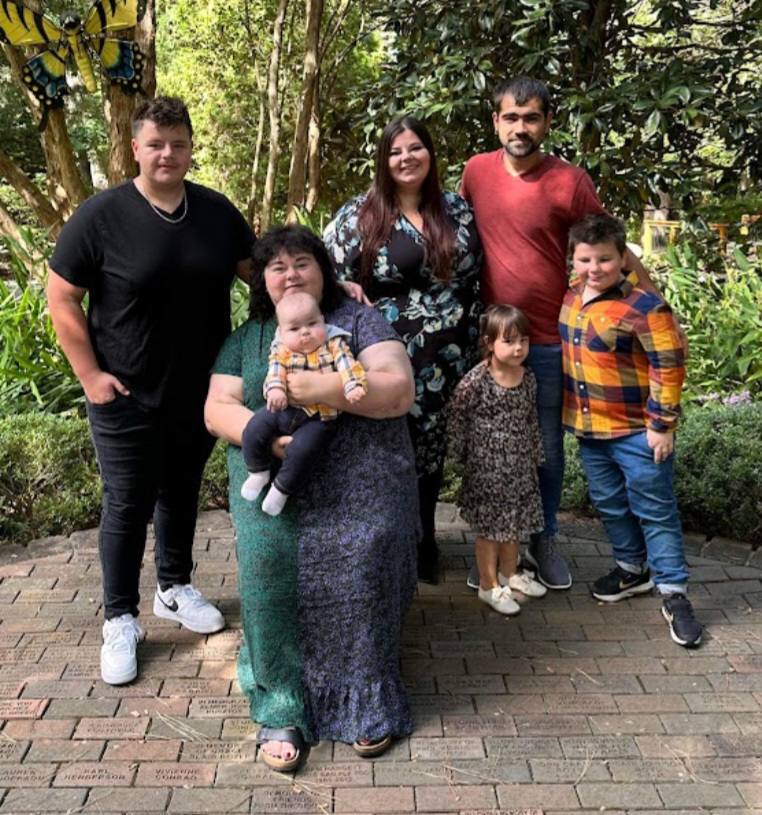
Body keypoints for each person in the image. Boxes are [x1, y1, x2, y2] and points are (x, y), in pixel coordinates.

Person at [46, 97, 254, 685]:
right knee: (127, 503)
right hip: (124, 392)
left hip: (199, 389)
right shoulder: (101, 216)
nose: (168, 154)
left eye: (178, 144)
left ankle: (174, 586)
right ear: (135, 147)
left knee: (181, 490)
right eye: (156, 144)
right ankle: (120, 618)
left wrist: (330, 291)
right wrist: (90, 377)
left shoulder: (216, 212)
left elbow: (265, 274)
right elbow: (62, 297)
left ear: (190, 149)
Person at [204, 225, 418, 772]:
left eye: (302, 262)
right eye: (277, 267)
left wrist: (322, 390)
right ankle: (282, 700)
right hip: (276, 478)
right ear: (261, 280)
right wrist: (267, 440)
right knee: (267, 556)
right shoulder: (248, 338)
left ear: (323, 269)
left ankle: (365, 696)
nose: (291, 274)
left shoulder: (359, 321)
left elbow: (398, 388)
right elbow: (216, 407)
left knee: (363, 546)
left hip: (360, 476)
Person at [461, 77, 657, 591]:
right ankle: (494, 545)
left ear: (547, 122)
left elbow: (609, 246)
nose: (520, 128)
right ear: (496, 122)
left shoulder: (569, 181)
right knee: (491, 449)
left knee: (545, 449)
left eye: (531, 118)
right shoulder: (476, 172)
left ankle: (543, 540)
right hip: (492, 341)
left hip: (549, 339)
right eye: (510, 117)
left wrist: (653, 304)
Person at [324, 116, 482, 583]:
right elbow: (324, 270)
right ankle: (391, 544)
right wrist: (343, 288)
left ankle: (425, 538)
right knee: (395, 447)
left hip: (453, 355)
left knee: (432, 449)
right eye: (395, 151)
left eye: (415, 148)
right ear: (383, 160)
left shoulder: (457, 209)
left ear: (429, 154)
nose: (406, 158)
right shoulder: (361, 214)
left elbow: (478, 272)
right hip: (389, 355)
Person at [560, 214, 702, 648]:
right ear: (573, 259)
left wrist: (662, 425)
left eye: (604, 259)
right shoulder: (571, 297)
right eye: (585, 259)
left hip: (638, 433)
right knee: (610, 503)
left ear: (623, 258)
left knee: (654, 509)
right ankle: (631, 568)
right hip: (591, 431)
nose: (594, 268)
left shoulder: (645, 307)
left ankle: (674, 592)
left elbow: (669, 365)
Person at [449, 305, 548, 615]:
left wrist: (536, 453)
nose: (518, 348)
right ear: (489, 343)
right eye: (509, 341)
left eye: (524, 341)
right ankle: (488, 585)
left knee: (513, 524)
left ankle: (510, 573)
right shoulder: (476, 380)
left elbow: (531, 418)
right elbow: (458, 417)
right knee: (491, 530)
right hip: (487, 469)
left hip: (519, 467)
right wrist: (462, 455)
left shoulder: (528, 378)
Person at [240, 291, 367, 515]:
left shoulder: (333, 343)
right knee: (253, 428)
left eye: (312, 323)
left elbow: (347, 365)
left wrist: (352, 386)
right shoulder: (282, 349)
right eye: (295, 328)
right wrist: (276, 389)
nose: (305, 332)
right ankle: (258, 472)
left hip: (319, 417)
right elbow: (275, 371)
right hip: (284, 409)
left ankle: (281, 489)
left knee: (303, 451)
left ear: (323, 321)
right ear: (281, 332)